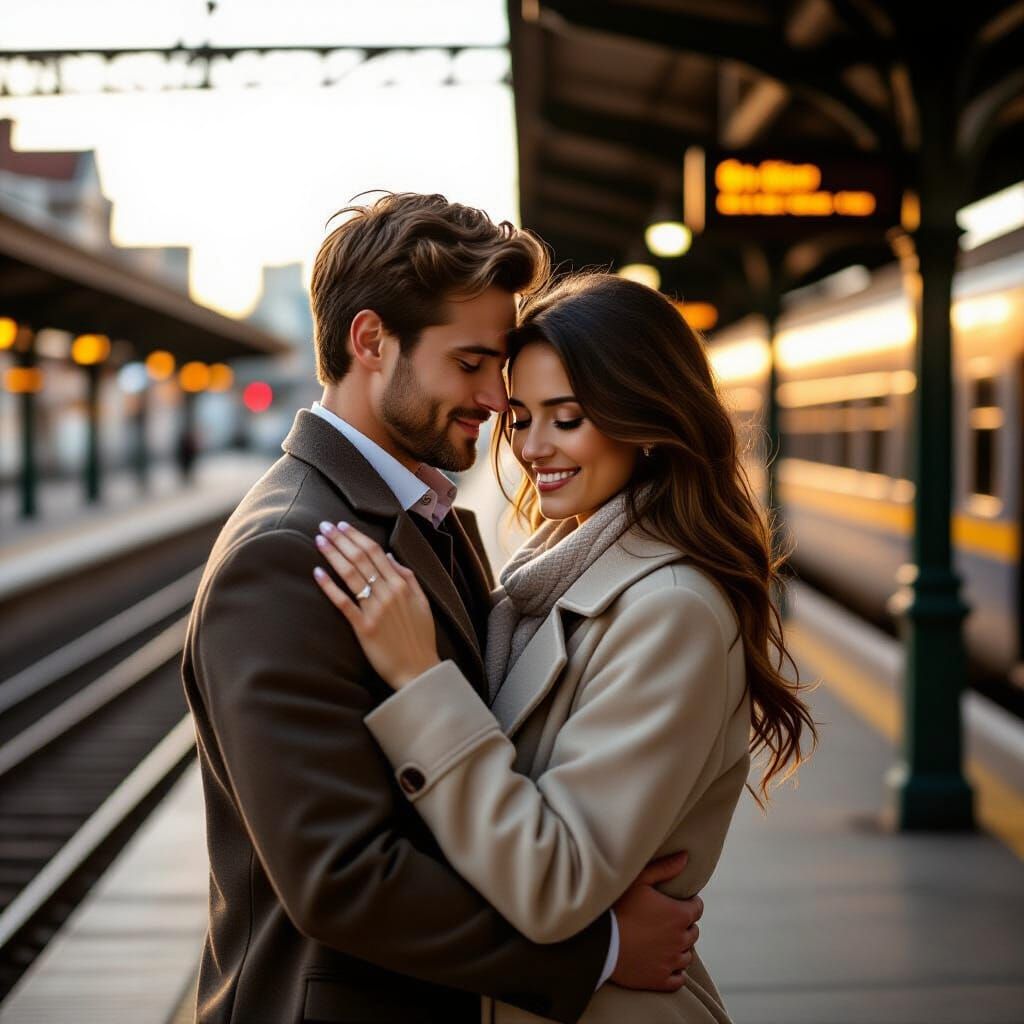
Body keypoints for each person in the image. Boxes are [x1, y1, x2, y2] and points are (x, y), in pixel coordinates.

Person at [182, 195, 704, 1024]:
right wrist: (597, 950)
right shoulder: (286, 554)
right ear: (369, 341)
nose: (498, 399)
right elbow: (341, 877)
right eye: (471, 363)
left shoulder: (423, 520)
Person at [314, 270, 818, 1023]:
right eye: (520, 417)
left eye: (568, 418)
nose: (531, 447)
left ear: (644, 420)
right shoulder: (543, 580)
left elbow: (555, 883)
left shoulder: (669, 612)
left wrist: (421, 678)